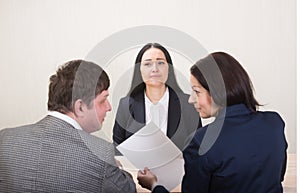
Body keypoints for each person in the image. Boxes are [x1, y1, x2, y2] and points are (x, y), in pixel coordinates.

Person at [137, 52, 288, 193]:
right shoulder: (274, 123)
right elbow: (276, 176)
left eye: (196, 91)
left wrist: (154, 185)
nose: (191, 99)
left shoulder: (202, 141)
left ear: (217, 92)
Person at [0, 60, 136, 193]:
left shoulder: (5, 139)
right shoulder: (101, 153)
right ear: (80, 107)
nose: (109, 107)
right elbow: (128, 189)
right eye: (103, 100)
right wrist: (116, 169)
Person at [113, 43, 201, 152]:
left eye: (160, 63)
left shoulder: (188, 104)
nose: (155, 69)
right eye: (147, 64)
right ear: (139, 70)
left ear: (169, 68)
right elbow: (117, 149)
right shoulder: (125, 105)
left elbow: (197, 148)